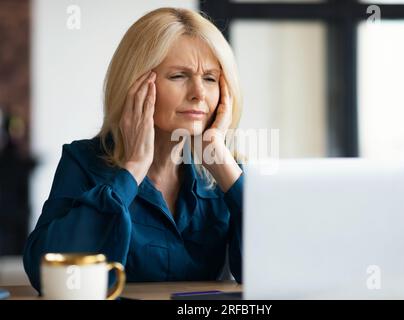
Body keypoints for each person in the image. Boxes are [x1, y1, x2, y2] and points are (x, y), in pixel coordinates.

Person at [23, 7, 244, 293]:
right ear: (134, 84)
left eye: (211, 79)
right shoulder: (84, 162)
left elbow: (274, 273)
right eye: (178, 76)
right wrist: (133, 169)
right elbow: (49, 276)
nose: (199, 94)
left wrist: (228, 173)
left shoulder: (226, 172)